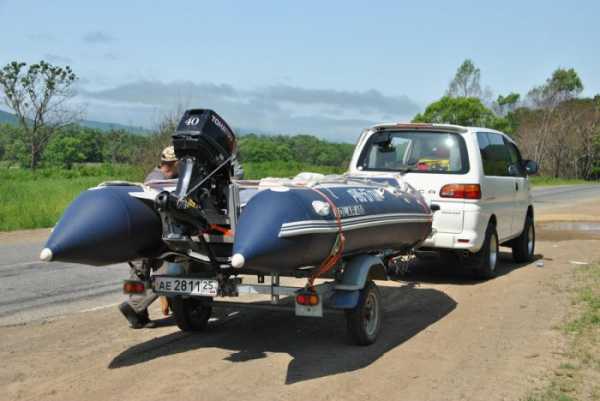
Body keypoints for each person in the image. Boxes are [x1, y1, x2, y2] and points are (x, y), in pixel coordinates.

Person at [118, 146, 178, 329]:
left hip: (139, 234)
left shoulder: (152, 176)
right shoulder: (161, 182)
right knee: (166, 274)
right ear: (175, 163)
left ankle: (138, 317)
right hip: (154, 237)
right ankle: (134, 307)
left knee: (136, 276)